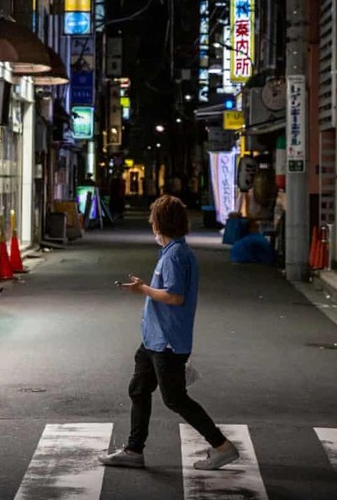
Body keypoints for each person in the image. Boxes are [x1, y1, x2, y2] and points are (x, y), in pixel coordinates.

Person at [99, 195, 239, 470]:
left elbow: (175, 297)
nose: (151, 224)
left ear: (159, 223)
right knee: (139, 389)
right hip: (154, 338)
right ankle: (133, 450)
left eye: (153, 219)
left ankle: (222, 446)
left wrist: (143, 290)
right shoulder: (173, 251)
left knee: (175, 399)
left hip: (167, 342)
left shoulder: (175, 254)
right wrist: (144, 287)